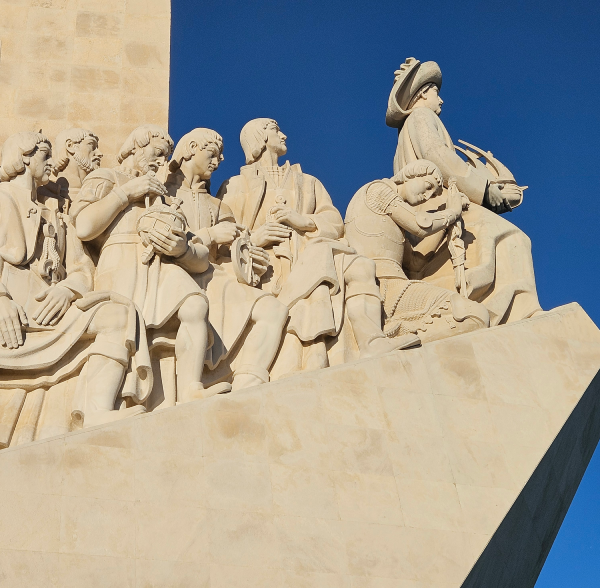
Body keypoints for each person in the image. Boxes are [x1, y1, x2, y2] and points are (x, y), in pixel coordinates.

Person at [217, 118, 419, 378]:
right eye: (276, 130)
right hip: (267, 268)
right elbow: (222, 243)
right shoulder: (234, 186)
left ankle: (372, 341)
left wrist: (303, 221)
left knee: (360, 265)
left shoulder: (308, 181)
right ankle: (311, 358)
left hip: (311, 251)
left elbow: (334, 222)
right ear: (260, 138)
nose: (285, 135)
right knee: (323, 261)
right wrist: (256, 237)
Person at [72, 124, 231, 406]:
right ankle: (105, 404)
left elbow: (192, 245)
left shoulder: (161, 193)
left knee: (195, 304)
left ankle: (191, 387)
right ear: (135, 148)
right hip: (121, 261)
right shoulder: (105, 177)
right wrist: (126, 193)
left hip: (161, 264)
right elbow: (84, 227)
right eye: (157, 152)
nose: (161, 161)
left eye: (165, 155)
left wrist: (182, 248)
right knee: (125, 328)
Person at [0, 131, 150, 431]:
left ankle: (96, 411)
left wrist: (67, 290)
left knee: (119, 315)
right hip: (17, 312)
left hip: (53, 311)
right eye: (45, 155)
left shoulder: (57, 213)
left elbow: (82, 269)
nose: (52, 162)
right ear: (25, 157)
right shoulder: (2, 199)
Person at [385, 58, 541, 324]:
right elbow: (439, 157)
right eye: (436, 92)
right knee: (512, 237)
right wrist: (487, 190)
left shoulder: (410, 128)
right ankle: (522, 312)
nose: (441, 100)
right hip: (437, 203)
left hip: (435, 203)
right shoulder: (421, 117)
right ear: (423, 92)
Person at [165, 128, 289, 390]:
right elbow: (163, 241)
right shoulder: (164, 196)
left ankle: (247, 384)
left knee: (273, 309)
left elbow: (227, 255)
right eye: (211, 154)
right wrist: (210, 234)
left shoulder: (219, 206)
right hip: (173, 275)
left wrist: (251, 250)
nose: (217, 161)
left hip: (213, 278)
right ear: (190, 149)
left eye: (220, 157)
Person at [345, 160, 489, 343]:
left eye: (433, 194)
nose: (427, 196)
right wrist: (452, 211)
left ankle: (405, 341)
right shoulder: (378, 190)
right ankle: (399, 342)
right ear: (410, 175)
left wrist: (447, 223)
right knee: (475, 315)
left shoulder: (396, 223)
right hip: (381, 287)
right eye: (428, 186)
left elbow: (415, 263)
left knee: (474, 316)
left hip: (396, 289)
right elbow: (420, 224)